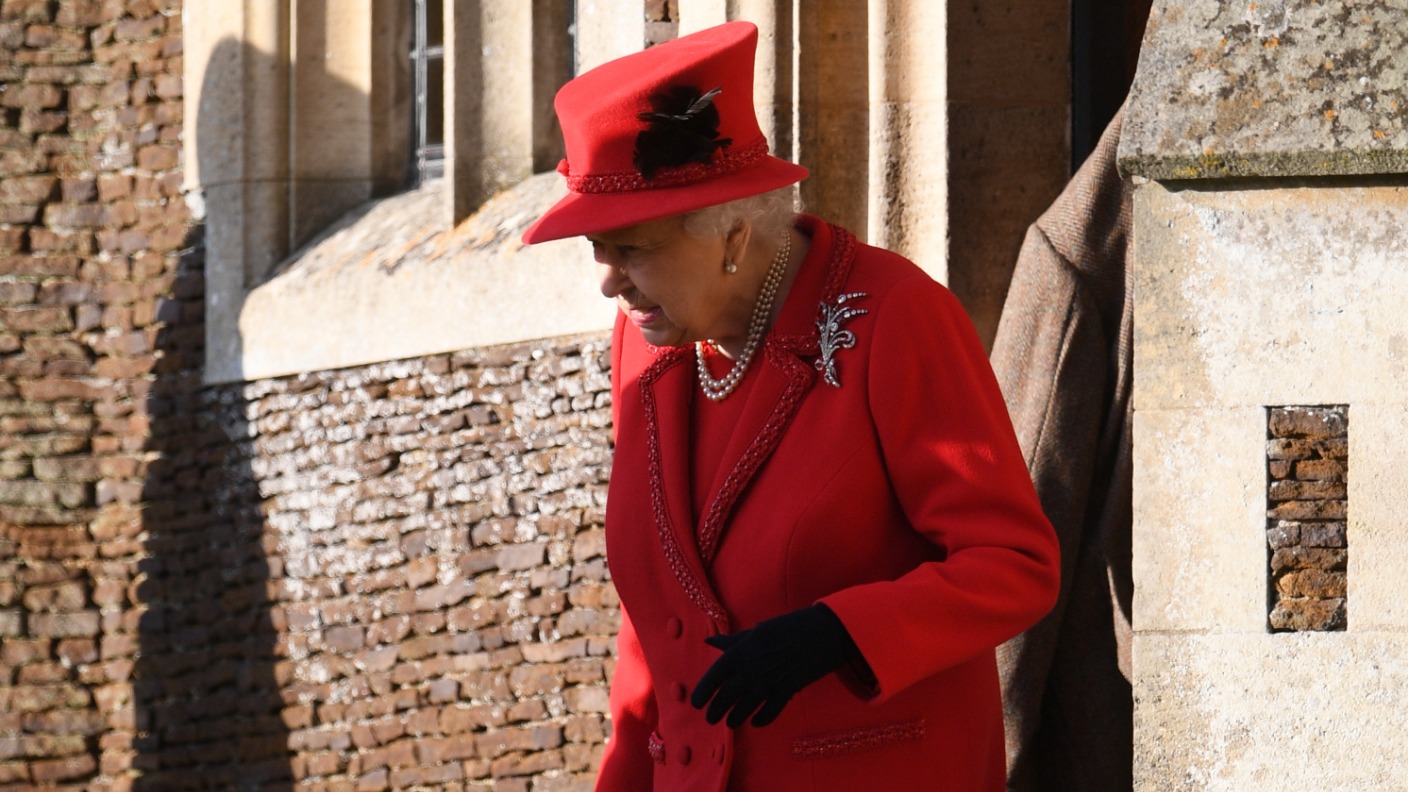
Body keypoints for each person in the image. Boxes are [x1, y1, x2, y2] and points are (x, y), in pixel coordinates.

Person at [522, 21, 1060, 792]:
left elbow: (1015, 566)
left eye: (632, 248)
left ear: (731, 233)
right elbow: (660, 625)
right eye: (596, 252)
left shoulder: (895, 318)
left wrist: (841, 633)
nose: (609, 282)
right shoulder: (644, 344)